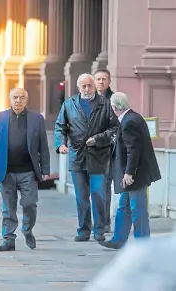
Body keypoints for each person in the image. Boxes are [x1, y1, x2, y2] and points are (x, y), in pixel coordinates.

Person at [0, 88, 50, 251]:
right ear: (9, 99)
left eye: (21, 97)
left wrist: (45, 169)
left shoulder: (37, 119)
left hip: (28, 171)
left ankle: (27, 229)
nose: (18, 100)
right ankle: (8, 239)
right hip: (5, 172)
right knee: (8, 207)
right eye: (15, 97)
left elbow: (43, 146)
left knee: (30, 203)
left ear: (26, 100)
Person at [54, 73, 119, 242]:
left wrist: (98, 139)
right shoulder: (70, 104)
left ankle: (99, 230)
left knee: (98, 194)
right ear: (78, 88)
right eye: (84, 86)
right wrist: (61, 143)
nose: (87, 89)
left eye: (90, 85)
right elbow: (60, 126)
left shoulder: (105, 104)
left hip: (99, 156)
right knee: (81, 197)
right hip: (77, 155)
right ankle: (83, 229)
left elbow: (114, 128)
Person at [99, 92, 161, 250]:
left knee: (137, 209)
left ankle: (143, 244)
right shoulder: (133, 117)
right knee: (124, 207)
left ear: (114, 107)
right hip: (133, 174)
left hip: (135, 176)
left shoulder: (129, 122)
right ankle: (118, 240)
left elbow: (133, 151)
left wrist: (129, 173)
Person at [94, 68, 115, 232]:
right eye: (98, 79)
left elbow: (116, 127)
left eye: (104, 79)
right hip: (90, 151)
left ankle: (104, 222)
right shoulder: (88, 99)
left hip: (109, 151)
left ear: (109, 82)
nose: (101, 82)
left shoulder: (114, 100)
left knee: (104, 187)